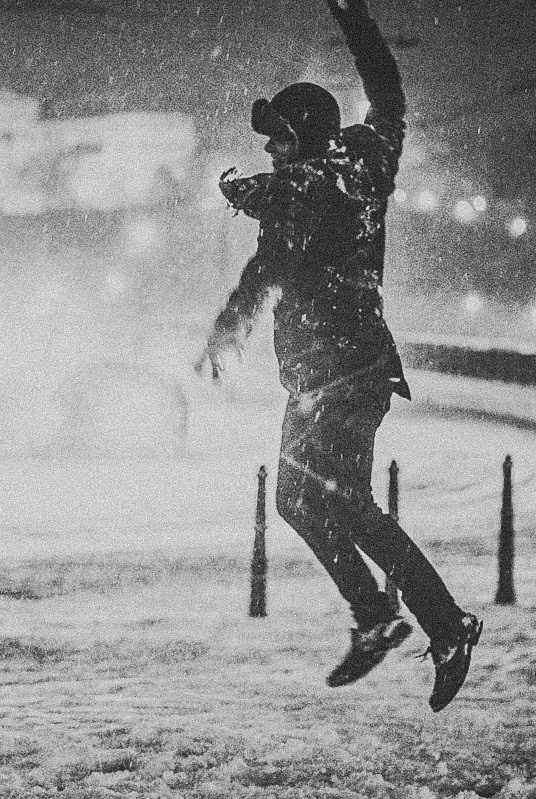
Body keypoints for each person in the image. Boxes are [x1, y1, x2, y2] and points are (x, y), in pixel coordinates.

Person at [195, 0, 481, 712]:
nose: (270, 150)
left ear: (305, 138)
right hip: (330, 376)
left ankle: (443, 625)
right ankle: (380, 618)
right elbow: (387, 91)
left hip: (342, 376)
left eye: (279, 139)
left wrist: (228, 329)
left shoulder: (309, 187)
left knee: (342, 504)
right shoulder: (364, 166)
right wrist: (352, 16)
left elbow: (271, 257)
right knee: (299, 499)